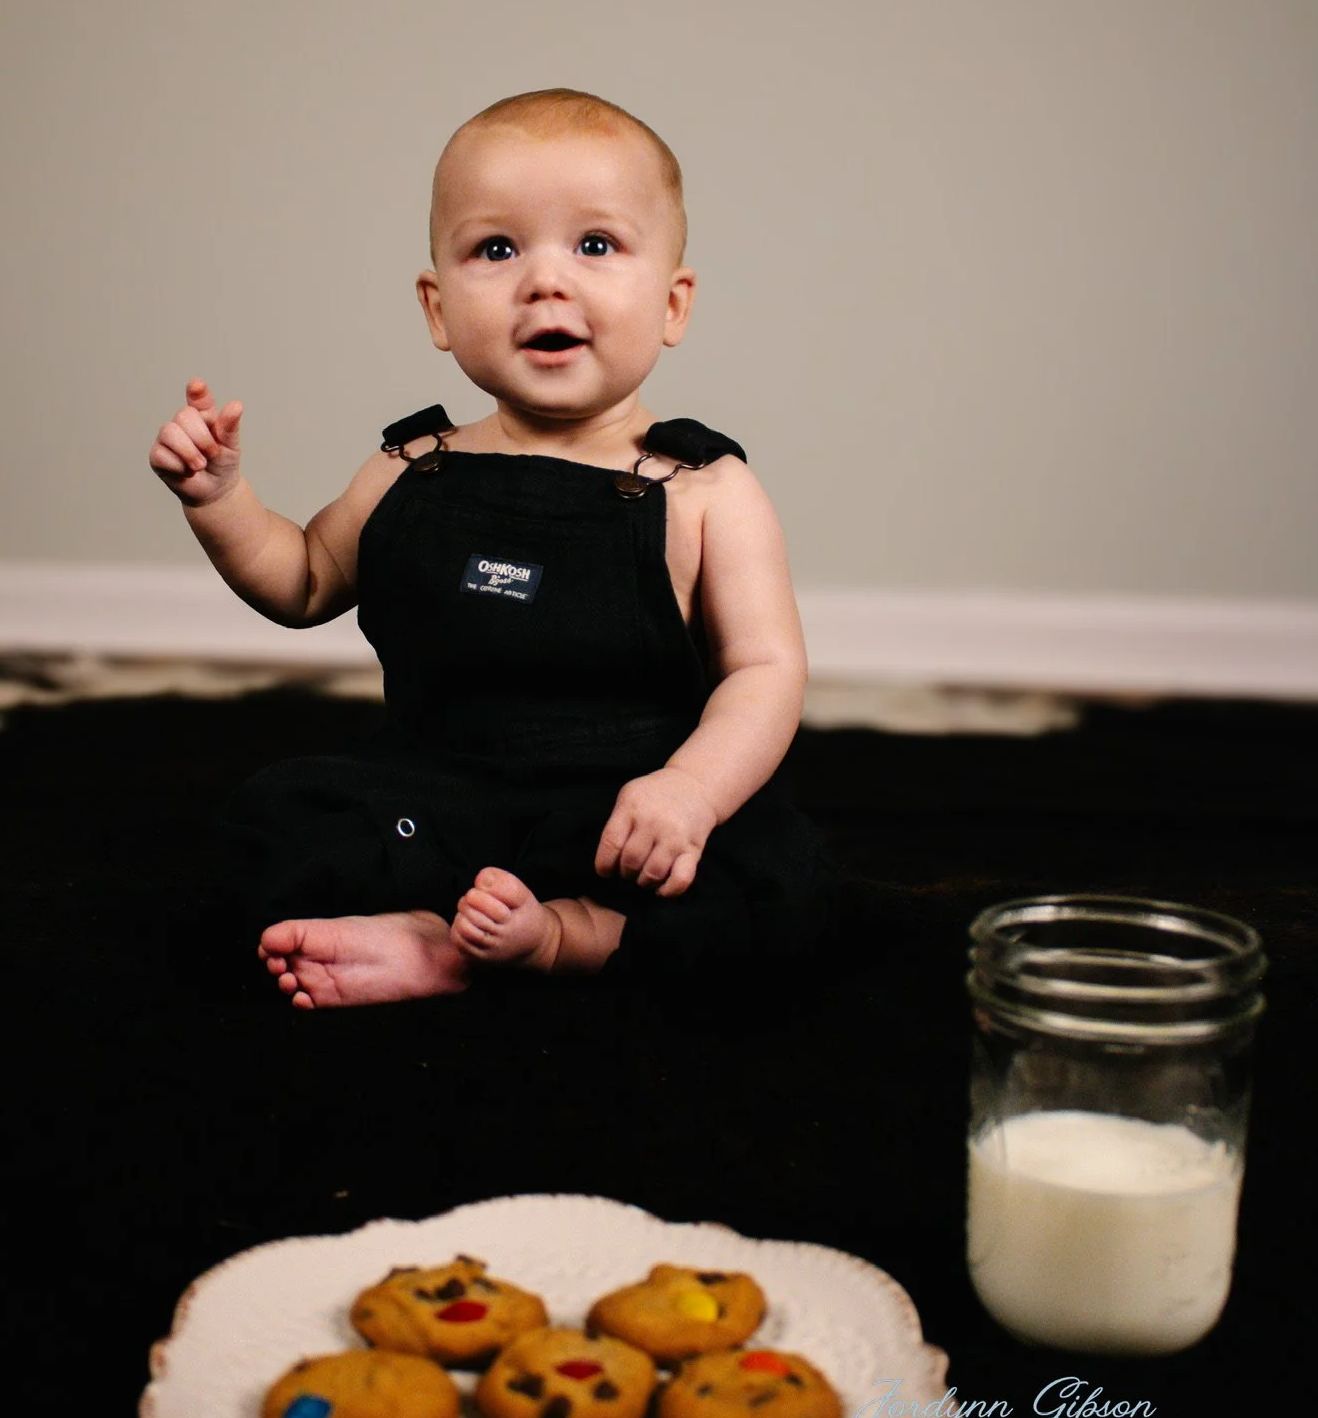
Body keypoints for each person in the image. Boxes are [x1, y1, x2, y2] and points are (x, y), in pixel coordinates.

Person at [149, 88, 834, 1010]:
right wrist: (221, 498)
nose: (545, 281)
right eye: (496, 249)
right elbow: (303, 580)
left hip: (620, 813)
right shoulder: (412, 466)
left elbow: (765, 671)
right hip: (432, 796)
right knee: (270, 825)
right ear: (437, 309)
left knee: (774, 887)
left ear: (673, 303)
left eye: (595, 245)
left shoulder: (708, 491)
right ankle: (440, 938)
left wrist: (690, 794)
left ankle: (566, 939)